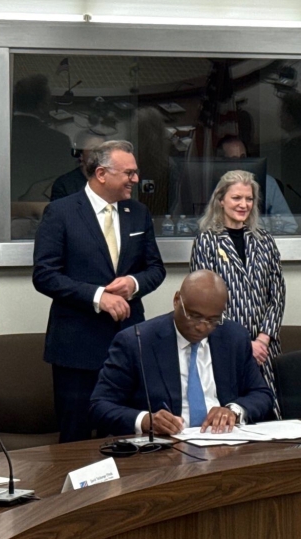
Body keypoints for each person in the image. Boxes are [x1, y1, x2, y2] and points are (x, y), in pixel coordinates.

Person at [33, 140, 166, 443]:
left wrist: (133, 284)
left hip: (128, 346)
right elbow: (44, 275)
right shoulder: (61, 212)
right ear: (102, 174)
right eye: (129, 173)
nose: (135, 179)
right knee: (76, 440)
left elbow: (156, 269)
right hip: (76, 347)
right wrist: (98, 296)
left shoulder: (138, 213)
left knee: (127, 438)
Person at [90, 270, 275, 437]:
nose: (202, 326)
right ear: (177, 300)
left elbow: (261, 394)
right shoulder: (136, 341)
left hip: (223, 444)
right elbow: (100, 406)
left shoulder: (234, 337)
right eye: (194, 315)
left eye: (213, 320)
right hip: (165, 449)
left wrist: (233, 410)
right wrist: (146, 420)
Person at [189, 170, 286, 418]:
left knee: (268, 413)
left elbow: (277, 293)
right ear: (221, 199)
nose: (243, 205)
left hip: (266, 349)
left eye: (249, 199)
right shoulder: (206, 240)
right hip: (226, 346)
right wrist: (245, 345)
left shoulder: (264, 239)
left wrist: (263, 339)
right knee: (230, 416)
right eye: (236, 198)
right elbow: (203, 300)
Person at [10, 75, 76, 202]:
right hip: (43, 204)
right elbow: (67, 184)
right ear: (42, 105)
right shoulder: (59, 141)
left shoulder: (2, 136)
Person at [217, 135, 298, 234]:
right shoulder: (209, 184)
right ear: (222, 162)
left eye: (243, 158)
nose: (240, 163)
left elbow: (289, 225)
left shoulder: (268, 183)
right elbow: (194, 227)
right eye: (234, 159)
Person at [50, 132, 104, 202]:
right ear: (80, 154)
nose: (99, 154)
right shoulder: (64, 184)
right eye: (94, 149)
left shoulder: (114, 179)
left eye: (102, 149)